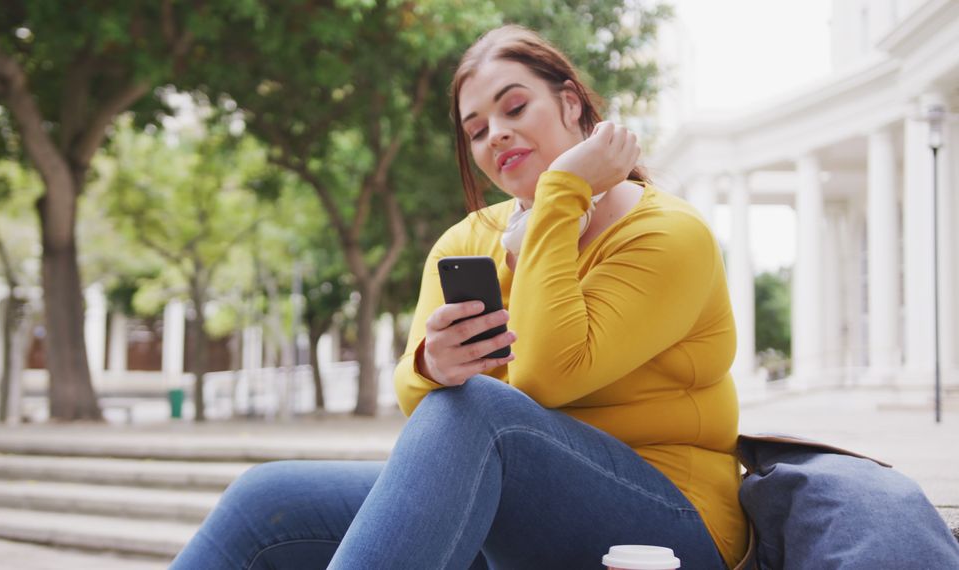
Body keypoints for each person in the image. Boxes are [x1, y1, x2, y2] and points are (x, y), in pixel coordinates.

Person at [171, 25, 748, 570]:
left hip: (674, 518)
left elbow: (549, 376)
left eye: (515, 107)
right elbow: (414, 395)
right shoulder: (470, 239)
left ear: (571, 104)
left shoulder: (668, 235)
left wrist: (560, 194)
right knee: (264, 500)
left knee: (479, 410)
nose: (495, 133)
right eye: (476, 129)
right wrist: (430, 365)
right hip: (514, 493)